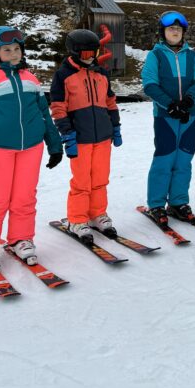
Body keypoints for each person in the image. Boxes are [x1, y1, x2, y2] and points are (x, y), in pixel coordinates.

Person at [0, 26, 63, 272]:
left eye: (17, 49)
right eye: (7, 49)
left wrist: (54, 144)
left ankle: (21, 239)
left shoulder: (30, 78)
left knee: (25, 197)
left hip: (31, 146)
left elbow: (43, 115)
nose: (14, 53)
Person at [50, 29, 122, 240]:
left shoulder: (101, 73)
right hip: (79, 138)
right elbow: (58, 107)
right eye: (86, 54)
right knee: (81, 182)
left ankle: (97, 214)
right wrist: (67, 134)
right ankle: (77, 219)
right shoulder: (64, 75)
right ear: (74, 52)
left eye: (95, 52)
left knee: (100, 179)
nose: (91, 57)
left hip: (103, 137)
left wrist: (115, 127)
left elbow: (110, 102)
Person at [141, 11, 195, 223]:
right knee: (164, 158)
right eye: (171, 28)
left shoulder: (192, 56)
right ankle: (157, 204)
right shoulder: (156, 55)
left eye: (178, 29)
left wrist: (188, 100)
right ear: (163, 32)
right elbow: (150, 84)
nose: (175, 32)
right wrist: (169, 105)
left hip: (190, 115)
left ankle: (178, 201)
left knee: (184, 159)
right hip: (165, 116)